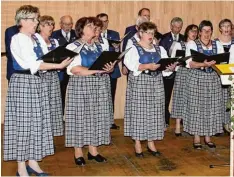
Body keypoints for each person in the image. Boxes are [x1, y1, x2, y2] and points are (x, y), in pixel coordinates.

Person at [3, 5, 72, 176]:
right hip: (24, 82)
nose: (36, 22)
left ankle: (33, 163)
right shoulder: (18, 38)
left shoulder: (35, 38)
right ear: (23, 20)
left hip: (37, 82)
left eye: (36, 19)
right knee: (24, 124)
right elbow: (32, 63)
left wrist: (59, 59)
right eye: (34, 19)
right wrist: (58, 65)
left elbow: (44, 56)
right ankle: (21, 167)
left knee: (36, 123)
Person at [65, 17, 116, 166]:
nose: (95, 29)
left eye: (96, 26)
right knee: (80, 118)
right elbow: (74, 69)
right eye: (91, 26)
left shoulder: (101, 44)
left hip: (100, 85)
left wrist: (110, 68)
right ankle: (78, 151)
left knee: (96, 117)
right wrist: (97, 70)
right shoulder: (74, 46)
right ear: (81, 28)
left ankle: (93, 150)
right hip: (81, 85)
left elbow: (107, 64)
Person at [124, 22, 175, 157]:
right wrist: (147, 66)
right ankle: (138, 143)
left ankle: (151, 141)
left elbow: (164, 68)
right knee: (139, 112)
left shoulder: (160, 49)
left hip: (156, 82)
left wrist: (169, 68)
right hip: (140, 82)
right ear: (141, 33)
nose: (151, 36)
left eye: (153, 33)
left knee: (155, 112)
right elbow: (130, 64)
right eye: (148, 33)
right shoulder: (133, 48)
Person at [183, 20, 225, 149]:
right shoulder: (192, 44)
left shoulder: (217, 45)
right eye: (204, 31)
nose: (207, 33)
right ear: (200, 32)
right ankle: (196, 137)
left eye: (209, 30)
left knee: (211, 107)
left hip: (212, 78)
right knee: (196, 107)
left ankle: (208, 136)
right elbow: (190, 63)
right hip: (196, 77)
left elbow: (222, 61)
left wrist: (217, 65)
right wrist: (203, 64)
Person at [35, 15, 64, 137]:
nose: (51, 27)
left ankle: (51, 132)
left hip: (53, 76)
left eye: (52, 24)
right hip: (41, 75)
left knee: (54, 104)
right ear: (40, 26)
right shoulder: (34, 39)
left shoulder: (54, 41)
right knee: (42, 104)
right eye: (48, 24)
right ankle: (41, 132)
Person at [170, 24, 198, 136]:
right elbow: (172, 59)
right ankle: (177, 126)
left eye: (196, 31)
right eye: (192, 31)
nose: (194, 33)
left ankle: (189, 125)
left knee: (192, 99)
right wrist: (178, 62)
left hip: (193, 73)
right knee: (179, 97)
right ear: (187, 32)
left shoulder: (197, 46)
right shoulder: (178, 44)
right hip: (182, 72)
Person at [97, 13, 121, 129]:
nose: (104, 23)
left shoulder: (114, 34)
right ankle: (99, 120)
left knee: (111, 96)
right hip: (97, 71)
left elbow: (119, 55)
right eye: (101, 21)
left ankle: (110, 121)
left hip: (112, 70)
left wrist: (117, 48)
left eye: (106, 21)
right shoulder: (94, 34)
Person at [159, 17, 184, 127]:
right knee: (166, 95)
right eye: (175, 27)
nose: (177, 29)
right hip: (168, 71)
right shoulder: (164, 38)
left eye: (179, 27)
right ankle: (165, 118)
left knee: (181, 94)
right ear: (171, 26)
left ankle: (182, 117)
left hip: (180, 70)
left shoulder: (184, 38)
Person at [122, 8, 162, 76]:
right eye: (144, 15)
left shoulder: (153, 37)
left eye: (148, 16)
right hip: (137, 72)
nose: (146, 17)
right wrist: (124, 65)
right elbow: (125, 51)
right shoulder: (130, 33)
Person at [52, 15, 77, 114]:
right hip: (60, 70)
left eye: (70, 24)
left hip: (73, 69)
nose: (68, 26)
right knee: (60, 94)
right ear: (60, 24)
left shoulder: (77, 34)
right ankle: (60, 115)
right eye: (65, 24)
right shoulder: (54, 35)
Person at [215, 19, 234, 135]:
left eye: (228, 26)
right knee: (218, 99)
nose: (226, 28)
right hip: (218, 74)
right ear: (220, 28)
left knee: (229, 99)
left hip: (231, 74)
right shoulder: (215, 42)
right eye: (224, 26)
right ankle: (218, 125)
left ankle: (229, 124)